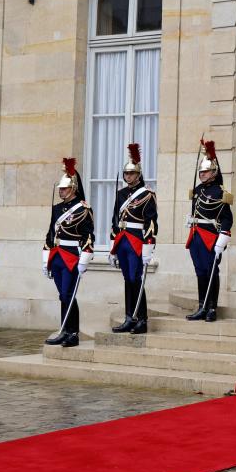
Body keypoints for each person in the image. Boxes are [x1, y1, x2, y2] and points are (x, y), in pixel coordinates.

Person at [43, 157, 94, 346]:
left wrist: (84, 260)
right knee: (62, 295)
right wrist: (45, 257)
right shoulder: (57, 208)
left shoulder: (84, 209)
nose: (61, 191)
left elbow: (89, 236)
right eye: (60, 189)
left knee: (68, 294)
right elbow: (50, 232)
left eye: (64, 189)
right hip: (56, 254)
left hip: (72, 256)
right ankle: (65, 329)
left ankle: (73, 333)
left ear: (73, 189)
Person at [109, 143, 157, 334]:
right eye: (126, 173)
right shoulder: (120, 194)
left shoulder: (147, 195)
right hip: (122, 241)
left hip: (137, 240)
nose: (128, 176)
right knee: (127, 280)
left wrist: (148, 246)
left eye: (131, 173)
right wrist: (113, 245)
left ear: (138, 175)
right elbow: (114, 219)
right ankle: (130, 317)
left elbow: (151, 222)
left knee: (136, 279)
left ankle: (142, 319)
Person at [185, 140, 233, 322]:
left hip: (211, 237)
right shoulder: (197, 190)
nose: (202, 174)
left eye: (205, 171)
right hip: (196, 235)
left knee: (211, 271)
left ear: (214, 173)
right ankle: (201, 306)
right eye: (201, 171)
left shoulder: (220, 192)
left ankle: (212, 307)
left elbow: (227, 218)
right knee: (200, 272)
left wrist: (223, 238)